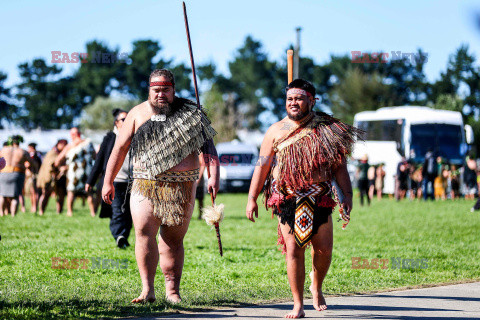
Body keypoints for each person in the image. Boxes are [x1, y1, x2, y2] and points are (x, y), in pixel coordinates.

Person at [245, 79, 360, 318]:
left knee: (324, 251)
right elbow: (262, 165)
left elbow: (339, 166)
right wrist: (252, 198)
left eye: (298, 98)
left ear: (312, 100)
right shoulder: (275, 130)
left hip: (320, 198)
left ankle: (316, 286)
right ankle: (298, 304)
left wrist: (347, 194)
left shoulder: (328, 128)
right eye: (289, 99)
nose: (293, 103)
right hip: (288, 199)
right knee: (293, 250)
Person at [102, 69, 219, 303]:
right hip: (145, 185)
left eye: (166, 90)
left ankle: (172, 291)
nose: (161, 95)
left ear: (174, 90)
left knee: (173, 240)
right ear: (149, 91)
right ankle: (147, 290)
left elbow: (209, 148)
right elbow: (119, 148)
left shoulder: (191, 114)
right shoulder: (137, 113)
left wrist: (214, 176)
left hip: (182, 187)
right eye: (156, 90)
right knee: (144, 233)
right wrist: (108, 180)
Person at [86, 109, 133, 248]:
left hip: (133, 181)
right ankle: (119, 235)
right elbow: (99, 160)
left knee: (130, 212)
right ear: (116, 122)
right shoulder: (110, 138)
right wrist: (90, 181)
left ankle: (123, 236)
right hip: (115, 181)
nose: (127, 122)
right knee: (118, 210)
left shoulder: (135, 136)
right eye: (124, 119)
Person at [55, 127, 96, 217]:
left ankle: (70, 212)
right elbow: (94, 157)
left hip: (73, 173)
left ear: (73, 135)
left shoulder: (71, 146)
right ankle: (93, 213)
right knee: (88, 192)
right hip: (87, 172)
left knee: (71, 192)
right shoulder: (88, 143)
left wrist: (62, 167)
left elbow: (57, 161)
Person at [0, 136, 37, 216]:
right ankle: (13, 215)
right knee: (15, 196)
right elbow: (32, 162)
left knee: (2, 194)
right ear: (19, 142)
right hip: (17, 173)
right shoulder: (22, 151)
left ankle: (1, 213)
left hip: (3, 173)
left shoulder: (3, 150)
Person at [37, 139, 68, 215]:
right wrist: (59, 167)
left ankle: (59, 212)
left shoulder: (64, 154)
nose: (65, 146)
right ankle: (41, 211)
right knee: (46, 194)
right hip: (49, 178)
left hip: (60, 177)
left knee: (61, 195)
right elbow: (50, 165)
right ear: (58, 144)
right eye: (63, 144)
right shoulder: (52, 153)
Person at [24, 143, 42, 213]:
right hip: (36, 175)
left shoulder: (32, 155)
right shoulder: (39, 154)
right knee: (34, 192)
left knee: (34, 192)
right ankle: (34, 207)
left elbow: (29, 165)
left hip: (34, 175)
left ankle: (34, 207)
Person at [196, 154, 206, 219]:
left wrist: (198, 178)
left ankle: (200, 215)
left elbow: (202, 165)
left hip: (199, 180)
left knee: (200, 199)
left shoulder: (200, 153)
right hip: (192, 178)